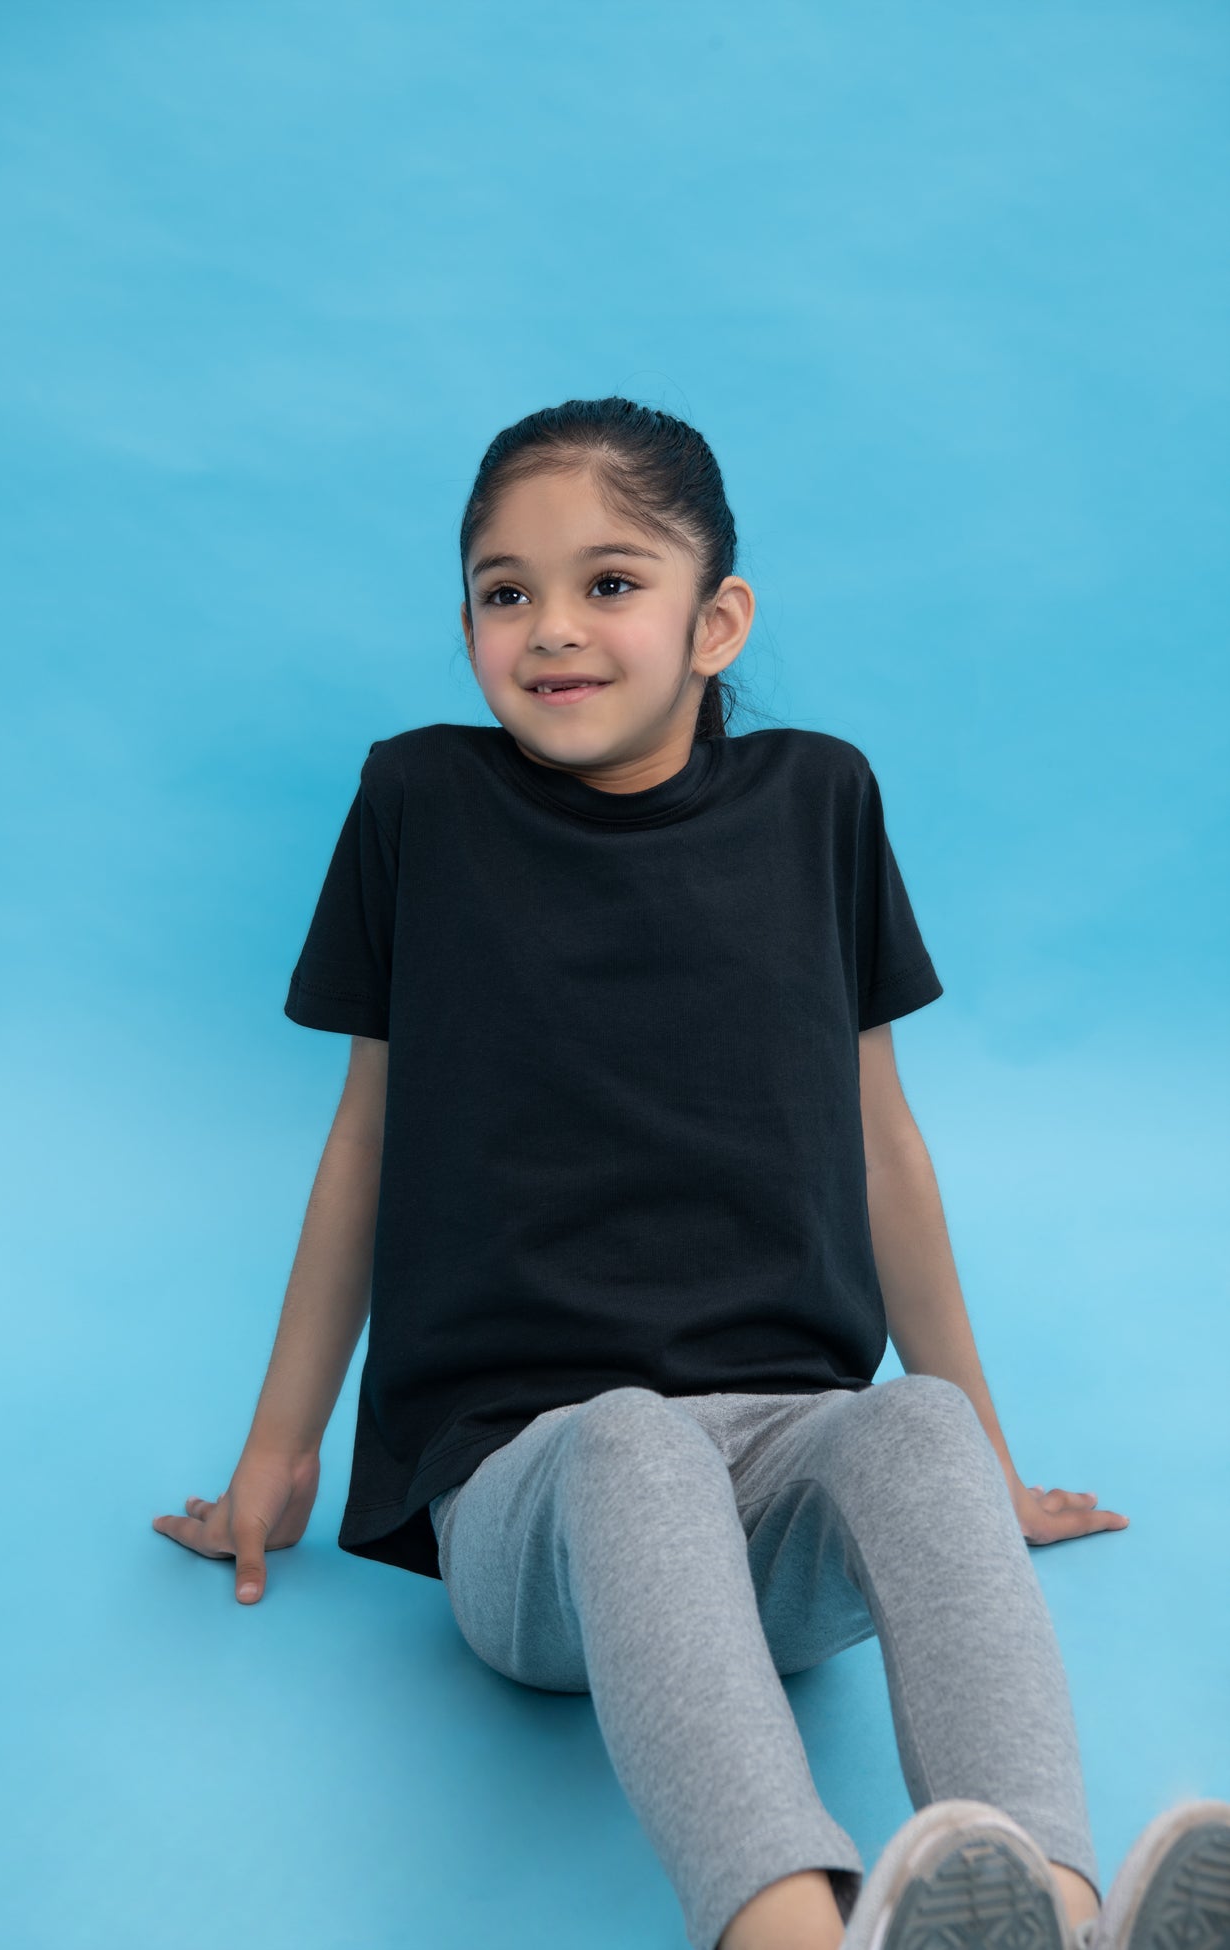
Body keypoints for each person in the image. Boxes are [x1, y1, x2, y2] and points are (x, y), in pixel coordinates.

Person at [152, 398, 1230, 1950]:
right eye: (504, 590)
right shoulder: (419, 804)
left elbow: (885, 1144)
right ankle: (790, 1932)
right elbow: (364, 1143)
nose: (550, 626)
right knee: (635, 1441)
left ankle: (1056, 1913)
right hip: (535, 1494)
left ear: (715, 622)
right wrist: (280, 1450)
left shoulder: (822, 801)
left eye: (609, 581)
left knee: (915, 1426)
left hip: (781, 1468)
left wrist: (988, 1466)